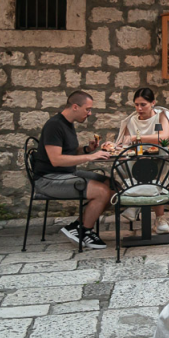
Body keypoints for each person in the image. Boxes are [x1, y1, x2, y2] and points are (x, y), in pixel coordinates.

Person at [33, 91, 112, 250]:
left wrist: (86, 149)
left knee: (112, 185)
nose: (89, 113)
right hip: (49, 179)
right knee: (102, 191)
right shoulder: (54, 125)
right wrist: (90, 157)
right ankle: (84, 231)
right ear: (75, 106)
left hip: (66, 173)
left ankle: (76, 226)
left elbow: (68, 151)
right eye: (87, 109)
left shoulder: (67, 124)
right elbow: (56, 160)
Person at [113, 88, 169, 234]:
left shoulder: (161, 116)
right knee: (134, 169)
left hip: (162, 160)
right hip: (138, 162)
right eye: (136, 105)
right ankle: (160, 220)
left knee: (156, 173)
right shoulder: (132, 121)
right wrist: (116, 145)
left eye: (143, 104)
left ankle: (135, 205)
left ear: (153, 103)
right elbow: (125, 144)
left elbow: (163, 137)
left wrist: (136, 138)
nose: (139, 108)